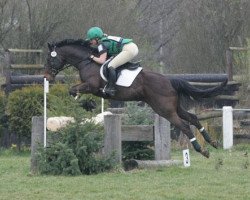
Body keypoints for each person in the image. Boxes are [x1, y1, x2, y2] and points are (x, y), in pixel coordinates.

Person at [86, 26, 139, 96]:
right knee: (115, 62)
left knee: (111, 66)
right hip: (132, 47)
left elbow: (102, 60)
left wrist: (92, 57)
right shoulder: (104, 39)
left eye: (91, 40)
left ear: (96, 38)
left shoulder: (101, 45)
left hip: (129, 49)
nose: (90, 42)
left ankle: (111, 88)